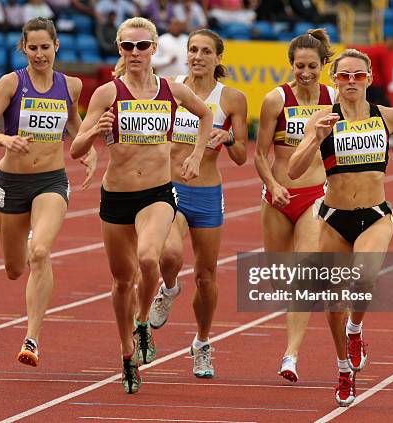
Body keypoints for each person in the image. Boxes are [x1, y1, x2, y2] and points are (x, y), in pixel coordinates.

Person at [69, 17, 212, 394]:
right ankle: (127, 352)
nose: (135, 53)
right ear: (119, 49)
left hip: (157, 194)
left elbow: (206, 115)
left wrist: (196, 155)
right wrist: (96, 131)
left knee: (149, 259)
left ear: (154, 49)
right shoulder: (107, 93)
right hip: (116, 197)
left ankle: (144, 320)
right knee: (120, 281)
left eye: (143, 46)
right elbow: (75, 149)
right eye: (128, 46)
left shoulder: (171, 90)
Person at [289, 48, 393, 406]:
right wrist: (316, 138)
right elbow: (293, 170)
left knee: (364, 278)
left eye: (358, 75)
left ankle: (355, 329)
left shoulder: (388, 117)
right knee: (332, 302)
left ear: (369, 79)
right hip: (334, 218)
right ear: (334, 80)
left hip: (376, 214)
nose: (351, 81)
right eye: (344, 75)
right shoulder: (321, 118)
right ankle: (344, 369)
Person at [0, 17, 97, 368]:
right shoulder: (11, 83)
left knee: (40, 253)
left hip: (51, 182)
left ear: (56, 46)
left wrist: (85, 150)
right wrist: (4, 138)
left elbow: (74, 125)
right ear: (23, 48)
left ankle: (32, 339)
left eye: (45, 47)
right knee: (15, 268)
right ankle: (28, 238)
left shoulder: (70, 86)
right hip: (12, 183)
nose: (39, 54)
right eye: (33, 48)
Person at [147, 28, 248, 379]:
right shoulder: (169, 88)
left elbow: (240, 156)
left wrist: (229, 136)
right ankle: (169, 288)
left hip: (207, 192)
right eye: (193, 50)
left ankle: (202, 344)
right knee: (170, 255)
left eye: (206, 51)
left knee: (206, 276)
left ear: (218, 58)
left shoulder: (232, 99)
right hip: (170, 186)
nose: (198, 56)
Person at [254, 28, 336, 384]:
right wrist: (272, 185)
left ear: (322, 66)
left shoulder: (332, 99)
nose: (305, 72)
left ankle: (291, 355)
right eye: (300, 66)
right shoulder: (276, 99)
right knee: (279, 278)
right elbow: (259, 154)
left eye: (312, 66)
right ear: (291, 65)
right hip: (278, 196)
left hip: (315, 195)